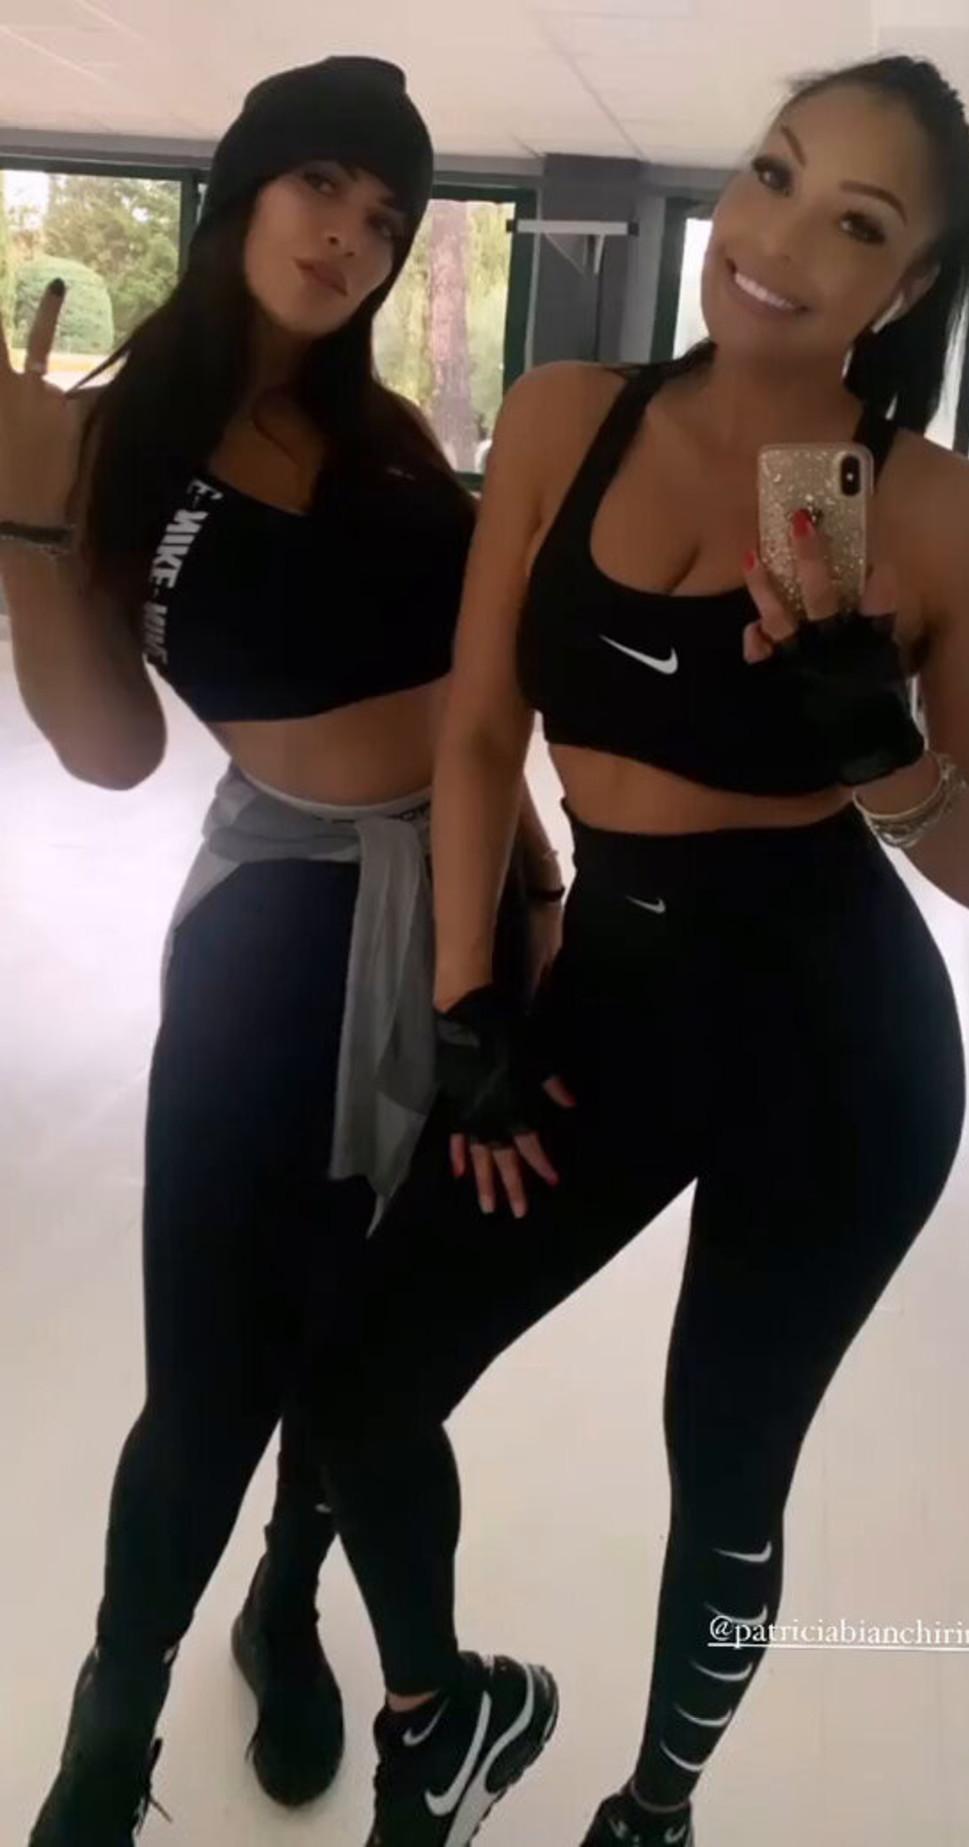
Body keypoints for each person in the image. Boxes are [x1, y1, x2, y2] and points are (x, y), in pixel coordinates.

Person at [281, 53, 969, 1847]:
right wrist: (468, 998)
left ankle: (656, 1810)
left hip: (839, 1056)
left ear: (909, 287)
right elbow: (482, 730)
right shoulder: (567, 416)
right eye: (773, 175)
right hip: (609, 1007)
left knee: (725, 1471)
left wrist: (889, 761)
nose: (777, 241)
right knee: (365, 1383)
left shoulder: (940, 516)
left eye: (854, 222)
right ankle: (448, 1714)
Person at [1, 56, 562, 1847]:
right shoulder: (112, 446)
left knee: (364, 1353)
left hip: (462, 921)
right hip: (275, 935)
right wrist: (23, 516)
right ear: (244, 190)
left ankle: (289, 1601)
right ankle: (108, 1740)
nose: (351, 238)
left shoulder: (385, 438)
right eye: (323, 186)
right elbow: (111, 750)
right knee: (208, 1382)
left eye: (388, 218)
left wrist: (534, 909)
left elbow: (478, 718)